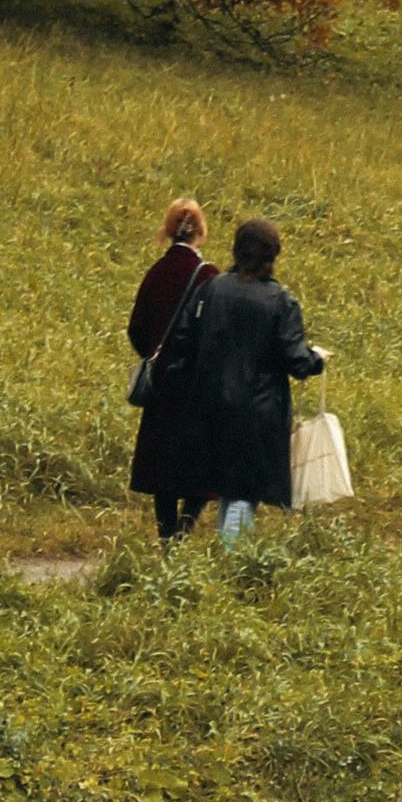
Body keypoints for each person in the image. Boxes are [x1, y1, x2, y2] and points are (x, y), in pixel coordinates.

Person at [160, 216, 327, 545]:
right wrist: (317, 359)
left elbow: (183, 339)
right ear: (272, 254)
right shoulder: (281, 301)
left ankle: (184, 548)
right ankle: (233, 562)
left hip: (208, 406)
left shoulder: (212, 288)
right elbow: (296, 360)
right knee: (242, 491)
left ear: (237, 248)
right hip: (257, 413)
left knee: (219, 482)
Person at [127, 198, 212, 546]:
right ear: (202, 232)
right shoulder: (209, 277)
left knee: (161, 467)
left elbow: (136, 328)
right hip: (197, 387)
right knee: (203, 467)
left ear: (166, 229)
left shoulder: (155, 273)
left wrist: (153, 355)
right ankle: (184, 529)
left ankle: (166, 535)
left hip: (161, 386)